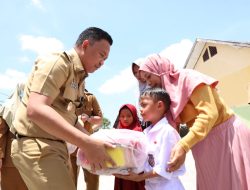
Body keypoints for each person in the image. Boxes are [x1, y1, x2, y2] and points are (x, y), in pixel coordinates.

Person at [11, 27, 116, 190]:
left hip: (58, 147)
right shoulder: (57, 62)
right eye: (101, 56)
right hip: (37, 144)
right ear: (86, 45)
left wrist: (93, 142)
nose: (102, 63)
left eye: (105, 60)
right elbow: (36, 109)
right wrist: (87, 143)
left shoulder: (79, 78)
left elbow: (71, 119)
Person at [139, 54, 250, 189]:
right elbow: (171, 128)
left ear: (159, 69)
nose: (148, 83)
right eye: (145, 80)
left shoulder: (188, 78)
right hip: (202, 144)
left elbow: (209, 114)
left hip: (226, 137)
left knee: (234, 183)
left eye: (149, 76)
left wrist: (184, 145)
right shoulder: (170, 96)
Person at [115, 88, 185, 190]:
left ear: (159, 105)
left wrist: (139, 178)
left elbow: (165, 168)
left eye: (144, 105)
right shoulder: (146, 133)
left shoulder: (167, 132)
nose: (140, 109)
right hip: (151, 186)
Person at [70, 89, 103, 189]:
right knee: (70, 182)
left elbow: (100, 120)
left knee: (93, 182)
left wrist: (88, 118)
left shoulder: (91, 98)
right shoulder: (67, 97)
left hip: (88, 147)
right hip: (71, 147)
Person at [0, 84, 28, 190]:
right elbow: (1, 134)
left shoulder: (30, 109)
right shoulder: (7, 109)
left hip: (26, 160)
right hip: (10, 161)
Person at [114, 104, 145, 190]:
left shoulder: (138, 133)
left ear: (134, 116)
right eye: (122, 116)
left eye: (129, 116)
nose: (125, 119)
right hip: (121, 170)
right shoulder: (116, 133)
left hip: (135, 173)